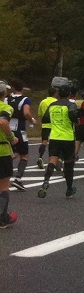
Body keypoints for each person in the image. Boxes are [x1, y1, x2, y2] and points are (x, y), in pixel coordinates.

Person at [39, 83, 79, 198]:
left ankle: (46, 181)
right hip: (67, 137)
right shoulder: (71, 105)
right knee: (68, 163)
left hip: (55, 137)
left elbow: (45, 118)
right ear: (69, 93)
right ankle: (69, 189)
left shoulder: (52, 105)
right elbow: (72, 114)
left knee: (52, 159)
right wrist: (76, 121)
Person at [9, 81, 34, 191]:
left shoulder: (7, 99)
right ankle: (18, 178)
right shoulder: (25, 99)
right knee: (24, 155)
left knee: (13, 152)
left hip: (7, 128)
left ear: (13, 88)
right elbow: (26, 113)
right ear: (22, 88)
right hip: (19, 129)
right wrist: (32, 120)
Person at [0, 82, 17, 227]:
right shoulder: (5, 108)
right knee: (4, 185)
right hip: (2, 150)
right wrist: (12, 138)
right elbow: (3, 122)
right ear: (4, 93)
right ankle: (2, 217)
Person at [36, 86, 57, 168]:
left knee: (44, 142)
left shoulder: (43, 102)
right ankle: (52, 160)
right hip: (55, 125)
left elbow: (40, 114)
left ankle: (40, 157)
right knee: (53, 144)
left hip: (45, 125)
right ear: (55, 93)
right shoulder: (56, 101)